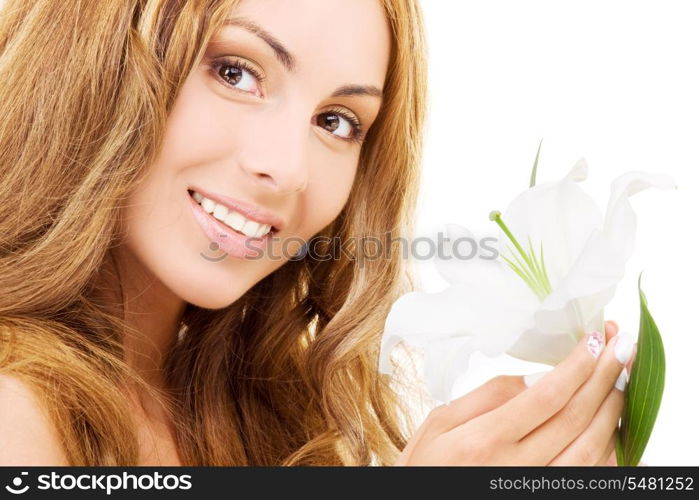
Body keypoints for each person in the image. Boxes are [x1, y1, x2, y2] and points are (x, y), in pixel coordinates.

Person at [0, 0, 630, 466]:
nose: (289, 169)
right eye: (236, 73)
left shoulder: (263, 411)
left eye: (336, 120)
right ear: (93, 60)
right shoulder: (16, 409)